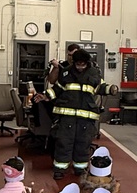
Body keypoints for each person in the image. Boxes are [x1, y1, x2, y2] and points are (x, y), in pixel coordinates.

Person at [45, 49, 118, 180]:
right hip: (67, 116)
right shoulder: (66, 72)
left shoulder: (93, 73)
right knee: (64, 142)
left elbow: (100, 87)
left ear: (87, 63)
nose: (80, 67)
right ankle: (60, 169)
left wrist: (111, 89)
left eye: (82, 64)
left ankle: (80, 168)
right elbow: (58, 88)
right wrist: (46, 96)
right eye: (77, 64)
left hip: (86, 116)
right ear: (74, 62)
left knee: (83, 143)